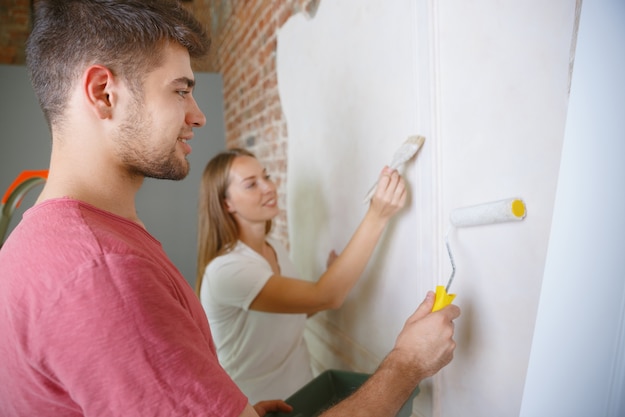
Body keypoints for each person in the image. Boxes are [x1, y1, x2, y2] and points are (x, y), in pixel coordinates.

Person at [0, 1, 460, 416]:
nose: (198, 114)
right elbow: (326, 296)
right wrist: (407, 365)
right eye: (180, 90)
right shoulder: (102, 274)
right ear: (104, 93)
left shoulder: (46, 244)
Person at [196, 148, 408, 403]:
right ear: (226, 203)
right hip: (257, 406)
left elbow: (300, 308)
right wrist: (378, 215)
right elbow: (327, 297)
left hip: (304, 393)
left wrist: (333, 276)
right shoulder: (226, 271)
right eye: (251, 185)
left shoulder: (274, 247)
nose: (268, 187)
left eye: (266, 176)